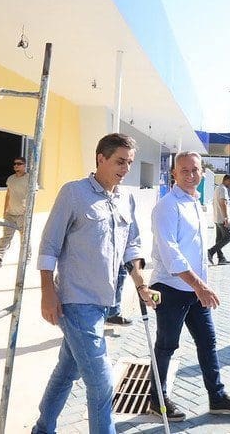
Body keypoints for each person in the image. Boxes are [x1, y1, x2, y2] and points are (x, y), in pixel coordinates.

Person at [31, 133, 159, 434]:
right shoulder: (73, 193)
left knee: (67, 370)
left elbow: (132, 246)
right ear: (100, 158)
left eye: (129, 162)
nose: (125, 168)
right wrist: (47, 293)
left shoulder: (125, 198)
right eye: (119, 161)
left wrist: (141, 284)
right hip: (76, 301)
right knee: (101, 384)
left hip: (105, 303)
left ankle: (42, 428)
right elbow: (49, 247)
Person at [149, 152, 230, 421]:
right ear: (174, 173)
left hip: (194, 289)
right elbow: (171, 254)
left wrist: (200, 286)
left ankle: (217, 397)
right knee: (167, 345)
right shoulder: (167, 206)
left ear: (202, 174)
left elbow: (195, 250)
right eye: (184, 170)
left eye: (195, 170)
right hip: (170, 288)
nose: (190, 175)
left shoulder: (195, 202)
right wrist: (201, 286)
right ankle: (156, 400)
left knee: (208, 342)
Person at [0, 156, 30, 269]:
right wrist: (5, 210)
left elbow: (33, 195)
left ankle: (26, 257)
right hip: (10, 214)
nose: (16, 165)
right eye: (15, 164)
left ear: (25, 165)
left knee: (24, 236)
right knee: (6, 236)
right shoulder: (11, 179)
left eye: (19, 163)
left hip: (23, 214)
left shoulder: (30, 178)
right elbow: (8, 194)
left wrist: (28, 211)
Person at [207, 174, 230, 265]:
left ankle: (221, 258)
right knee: (227, 238)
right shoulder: (223, 189)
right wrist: (226, 218)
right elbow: (223, 203)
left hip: (217, 218)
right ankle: (210, 252)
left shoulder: (217, 188)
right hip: (222, 219)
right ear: (226, 180)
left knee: (219, 239)